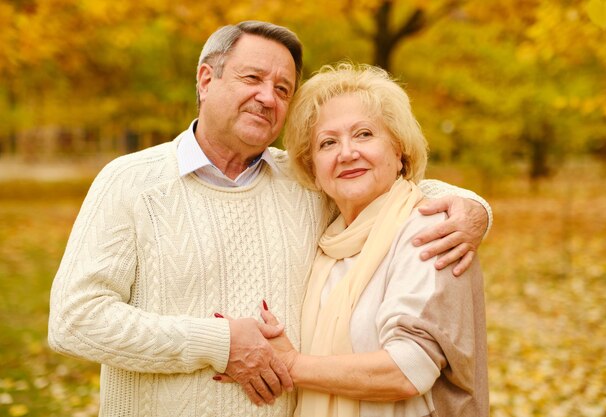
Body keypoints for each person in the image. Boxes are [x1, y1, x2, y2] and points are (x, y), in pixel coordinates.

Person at [47, 21, 490, 417]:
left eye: (283, 88)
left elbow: (378, 184)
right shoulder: (130, 182)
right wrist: (218, 344)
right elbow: (75, 320)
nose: (267, 97)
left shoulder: (300, 181)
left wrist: (471, 207)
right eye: (252, 78)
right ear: (206, 79)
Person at [244, 62, 489, 416]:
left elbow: (409, 369)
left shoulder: (430, 230)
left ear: (399, 149)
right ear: (312, 167)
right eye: (328, 143)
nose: (347, 153)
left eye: (364, 135)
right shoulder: (327, 242)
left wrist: (291, 365)